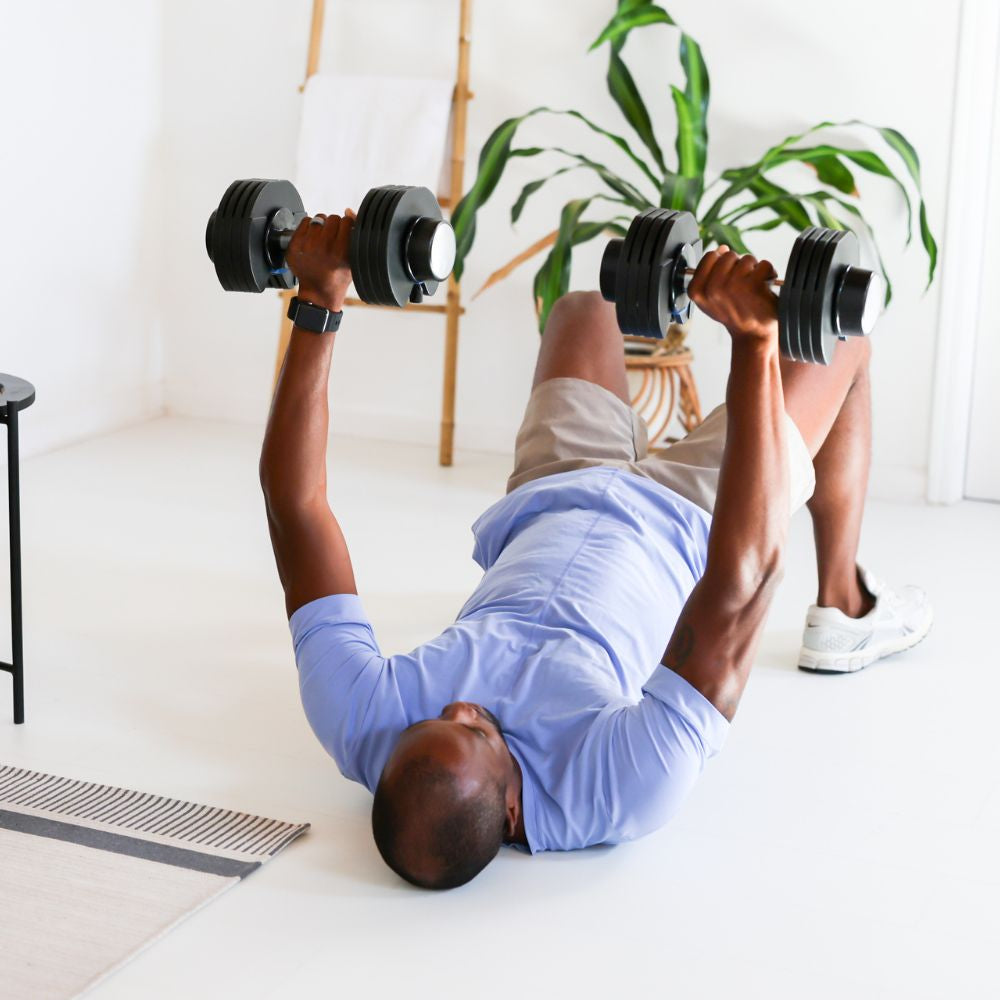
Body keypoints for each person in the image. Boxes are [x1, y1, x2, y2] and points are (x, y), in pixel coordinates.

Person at [258, 209, 933, 891]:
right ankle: (844, 604)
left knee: (587, 308)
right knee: (842, 341)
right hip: (694, 517)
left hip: (556, 488)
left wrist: (318, 299)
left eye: (432, 721)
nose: (458, 707)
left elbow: (296, 505)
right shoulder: (618, 785)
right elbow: (745, 575)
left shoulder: (361, 718)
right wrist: (753, 343)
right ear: (513, 813)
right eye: (477, 733)